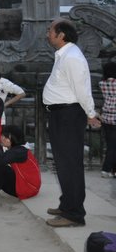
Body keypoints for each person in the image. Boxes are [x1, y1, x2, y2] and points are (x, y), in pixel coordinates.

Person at [43, 19, 100, 228]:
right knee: (63, 163)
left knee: (70, 164)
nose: (47, 34)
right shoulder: (64, 55)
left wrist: (91, 113)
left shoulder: (72, 57)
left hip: (69, 114)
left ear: (61, 35)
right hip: (60, 114)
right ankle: (67, 204)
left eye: (50, 30)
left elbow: (82, 89)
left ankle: (74, 214)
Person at [100, 62, 116, 179]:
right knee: (113, 147)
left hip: (106, 117)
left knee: (111, 144)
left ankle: (111, 170)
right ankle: (106, 169)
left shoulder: (102, 84)